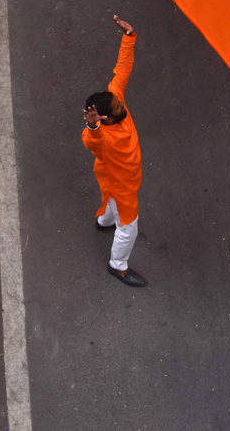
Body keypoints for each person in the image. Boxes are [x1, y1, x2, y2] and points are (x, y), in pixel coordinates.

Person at [83, 15, 146, 287]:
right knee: (129, 228)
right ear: (105, 118)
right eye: (119, 108)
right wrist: (94, 128)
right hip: (123, 188)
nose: (123, 105)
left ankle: (105, 221)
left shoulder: (113, 99)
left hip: (114, 178)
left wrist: (129, 37)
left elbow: (122, 70)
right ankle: (118, 266)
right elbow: (92, 143)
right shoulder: (101, 135)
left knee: (111, 209)